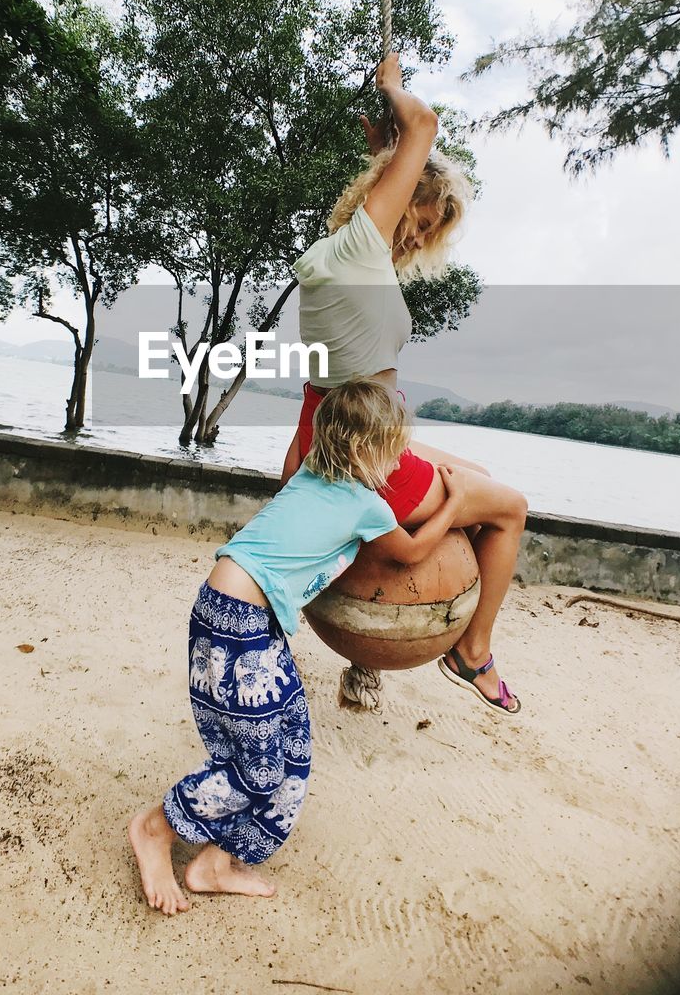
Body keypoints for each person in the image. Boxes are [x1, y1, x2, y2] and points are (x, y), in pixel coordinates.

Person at [128, 379, 468, 916]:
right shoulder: (366, 505)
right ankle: (156, 827)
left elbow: (308, 444)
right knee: (256, 769)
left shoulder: (313, 468)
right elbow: (414, 551)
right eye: (394, 446)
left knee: (293, 755)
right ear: (362, 451)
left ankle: (215, 861)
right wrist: (455, 500)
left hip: (251, 625)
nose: (402, 457)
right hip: (234, 624)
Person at [281, 52, 528, 715]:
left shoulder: (342, 256)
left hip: (332, 438)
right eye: (420, 217)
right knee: (509, 509)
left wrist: (386, 154)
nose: (419, 234)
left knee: (474, 472)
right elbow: (425, 122)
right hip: (369, 461)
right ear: (395, 194)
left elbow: (321, 394)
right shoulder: (361, 249)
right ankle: (471, 651)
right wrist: (392, 87)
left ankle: (368, 664)